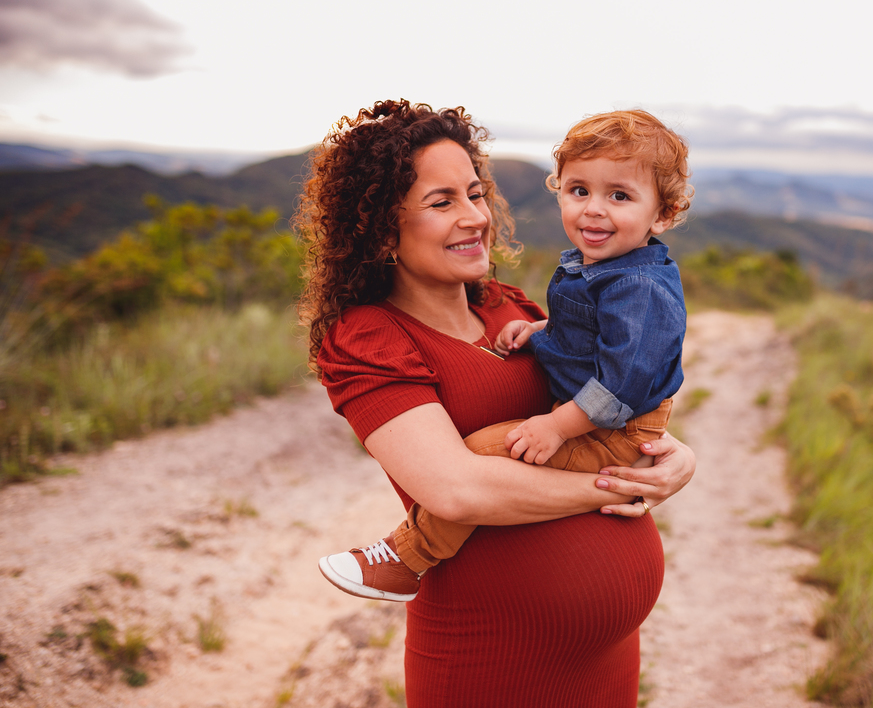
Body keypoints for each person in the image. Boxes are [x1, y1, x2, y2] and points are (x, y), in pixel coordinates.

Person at [294, 99, 696, 707]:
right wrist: (625, 488)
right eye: (441, 202)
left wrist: (672, 457)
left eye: (475, 195)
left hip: (605, 661)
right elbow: (458, 490)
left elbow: (614, 384)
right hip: (494, 659)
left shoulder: (507, 305)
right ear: (381, 226)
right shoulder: (370, 337)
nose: (475, 218)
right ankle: (401, 558)